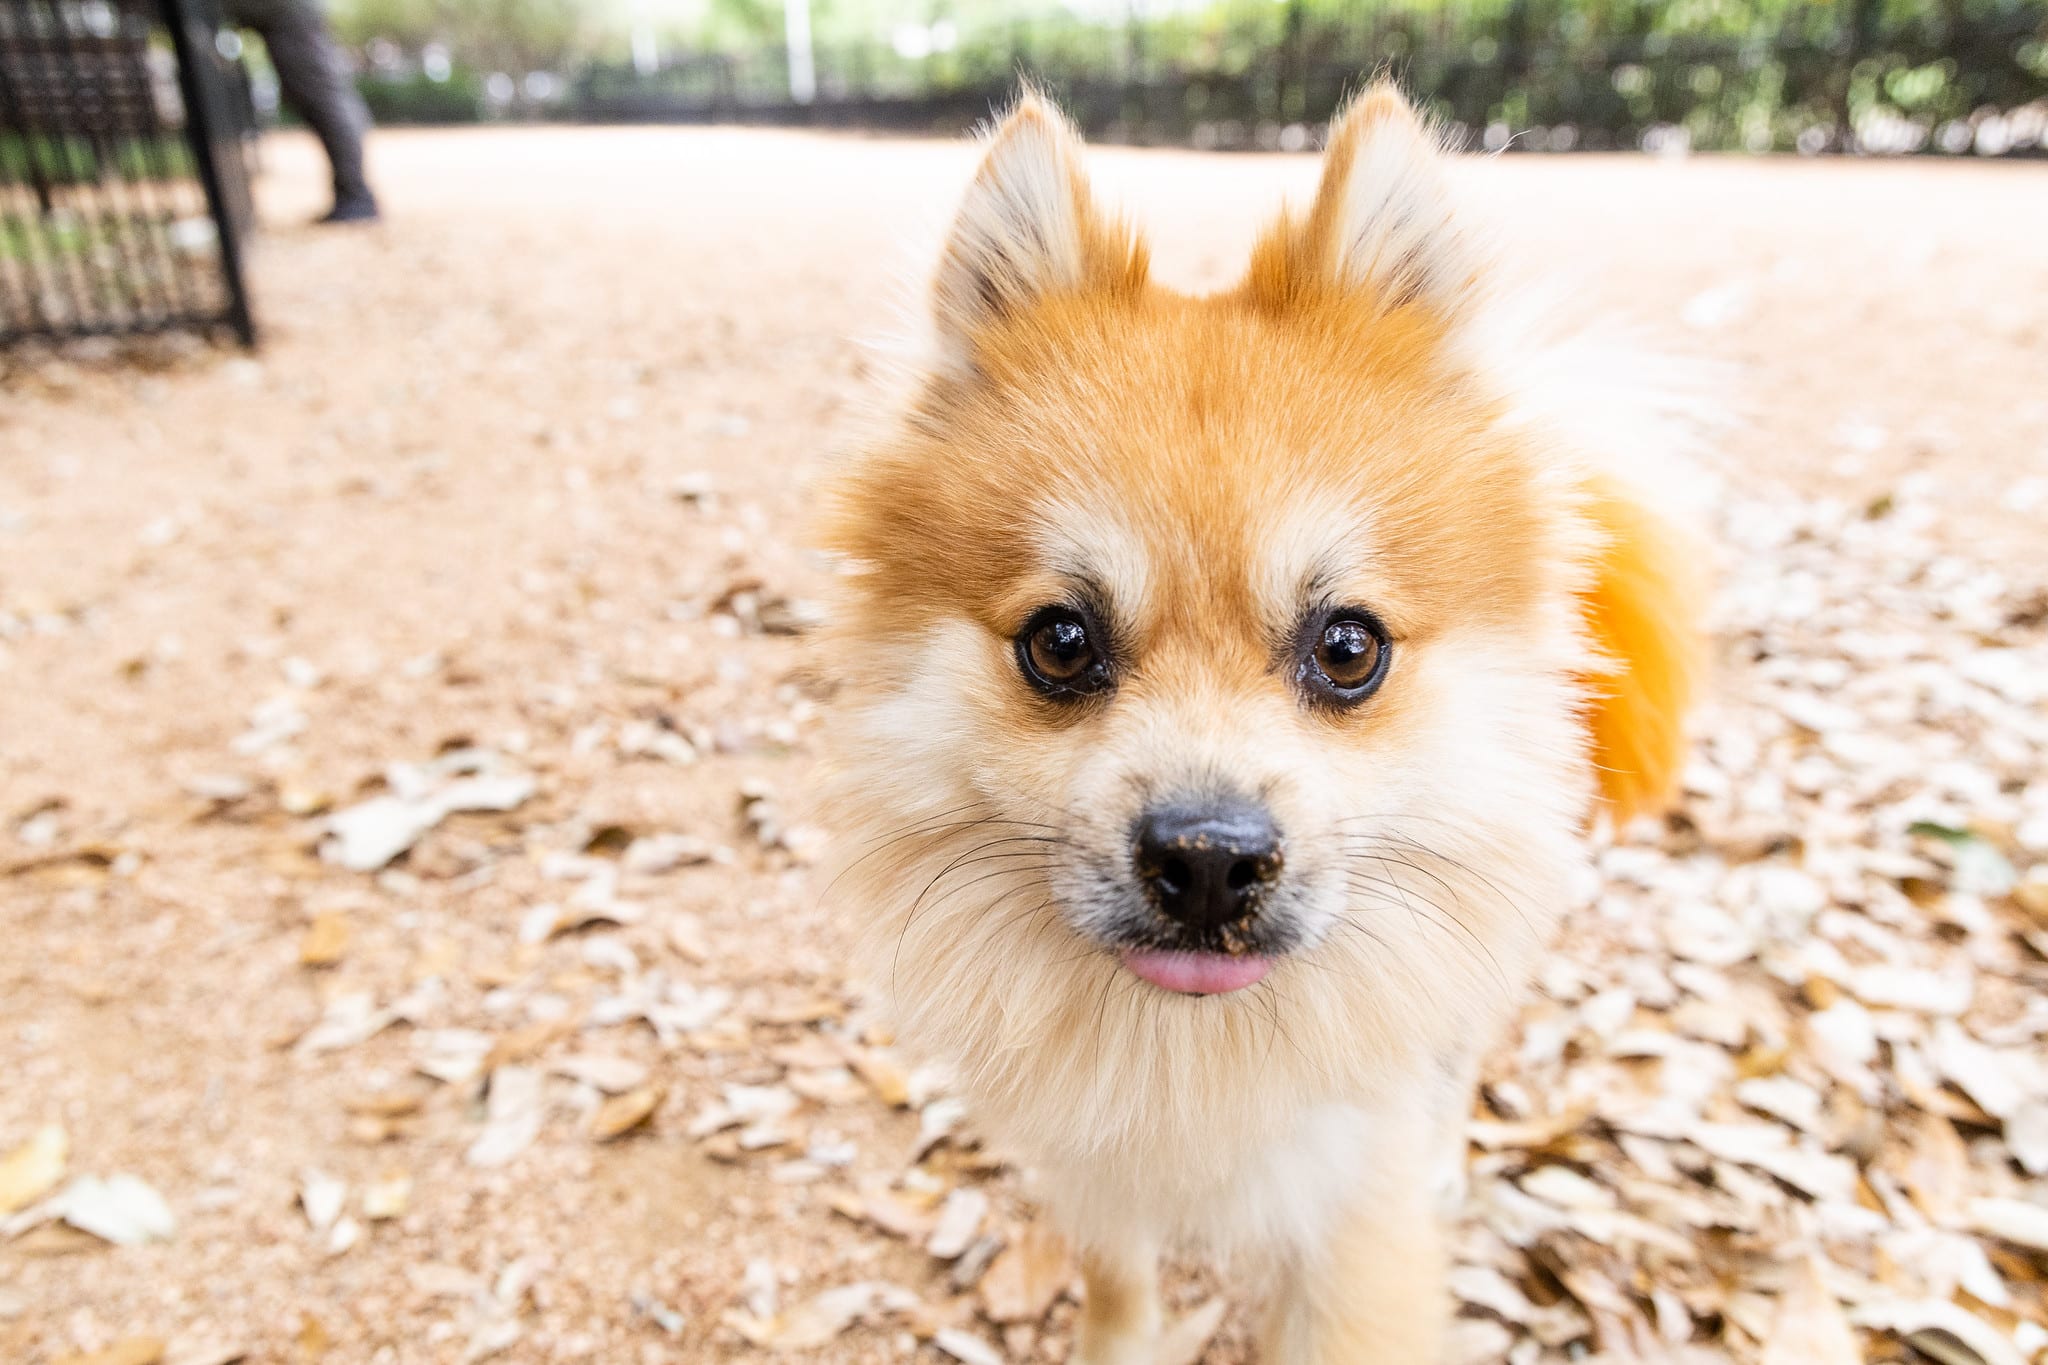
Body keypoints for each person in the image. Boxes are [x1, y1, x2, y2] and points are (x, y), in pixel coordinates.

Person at [223, 0, 378, 222]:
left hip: (289, 11)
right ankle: (354, 194)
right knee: (325, 94)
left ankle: (355, 195)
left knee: (324, 97)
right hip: (291, 12)